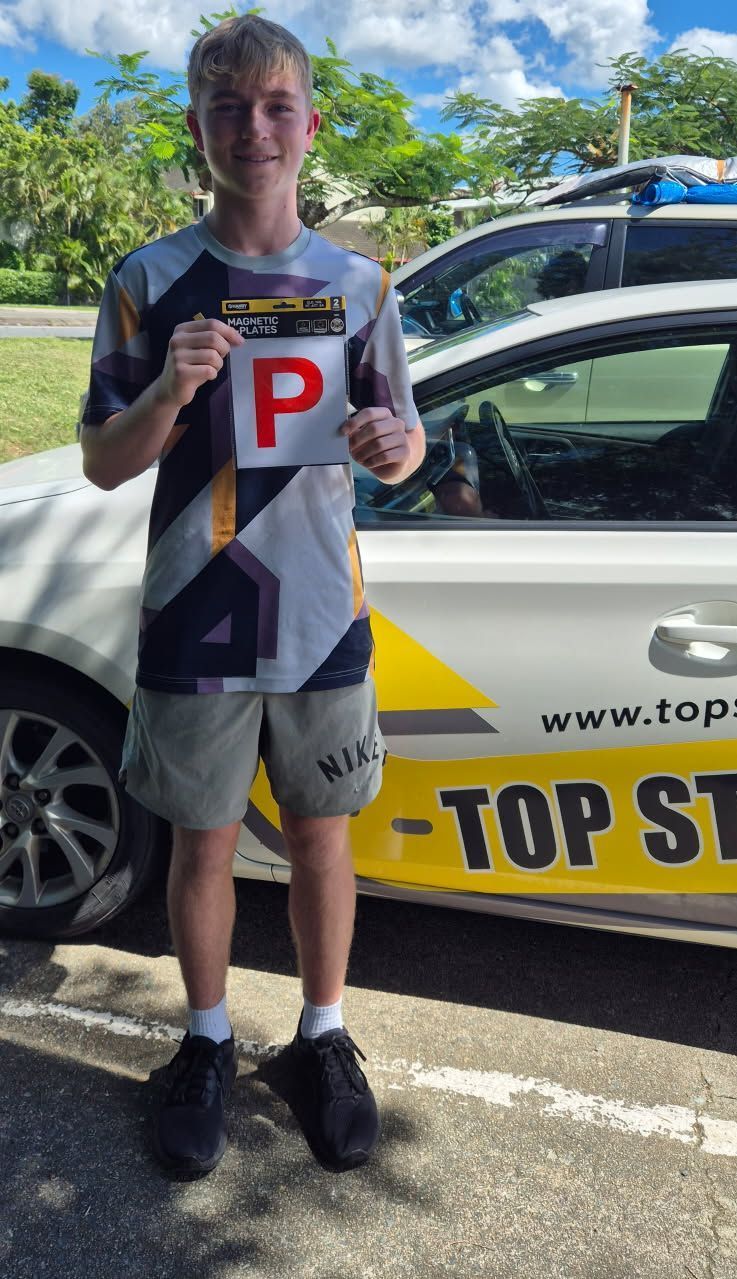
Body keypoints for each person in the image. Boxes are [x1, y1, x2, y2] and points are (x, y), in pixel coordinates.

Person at [80, 13, 425, 1178]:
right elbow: (104, 461)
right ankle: (209, 1038)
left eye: (277, 108)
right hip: (195, 609)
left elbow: (405, 441)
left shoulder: (358, 281)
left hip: (321, 612)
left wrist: (392, 447)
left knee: (325, 843)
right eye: (228, 109)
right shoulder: (148, 279)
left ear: (308, 125)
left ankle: (323, 1037)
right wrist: (169, 392)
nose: (254, 128)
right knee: (202, 847)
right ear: (197, 128)